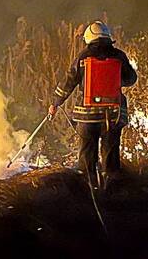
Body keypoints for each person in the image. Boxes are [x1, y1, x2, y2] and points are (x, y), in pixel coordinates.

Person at [48, 20, 137, 189]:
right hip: (113, 115)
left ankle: (88, 190)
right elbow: (131, 79)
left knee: (87, 155)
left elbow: (69, 81)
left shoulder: (83, 57)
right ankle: (111, 191)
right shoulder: (119, 56)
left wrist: (55, 103)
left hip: (88, 118)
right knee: (110, 155)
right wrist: (116, 80)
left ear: (89, 38)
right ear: (107, 37)